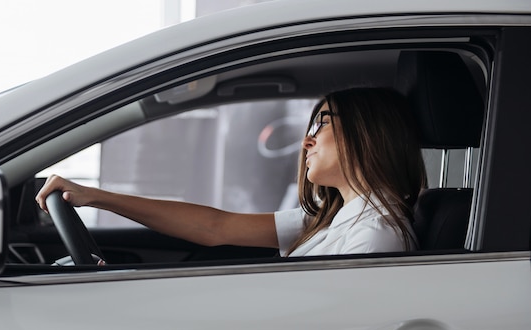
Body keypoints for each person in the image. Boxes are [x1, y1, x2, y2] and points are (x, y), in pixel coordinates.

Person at [36, 87, 427, 257]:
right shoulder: (337, 217)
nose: (307, 142)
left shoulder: (375, 234)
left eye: (320, 124)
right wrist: (95, 196)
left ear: (367, 133)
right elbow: (214, 228)